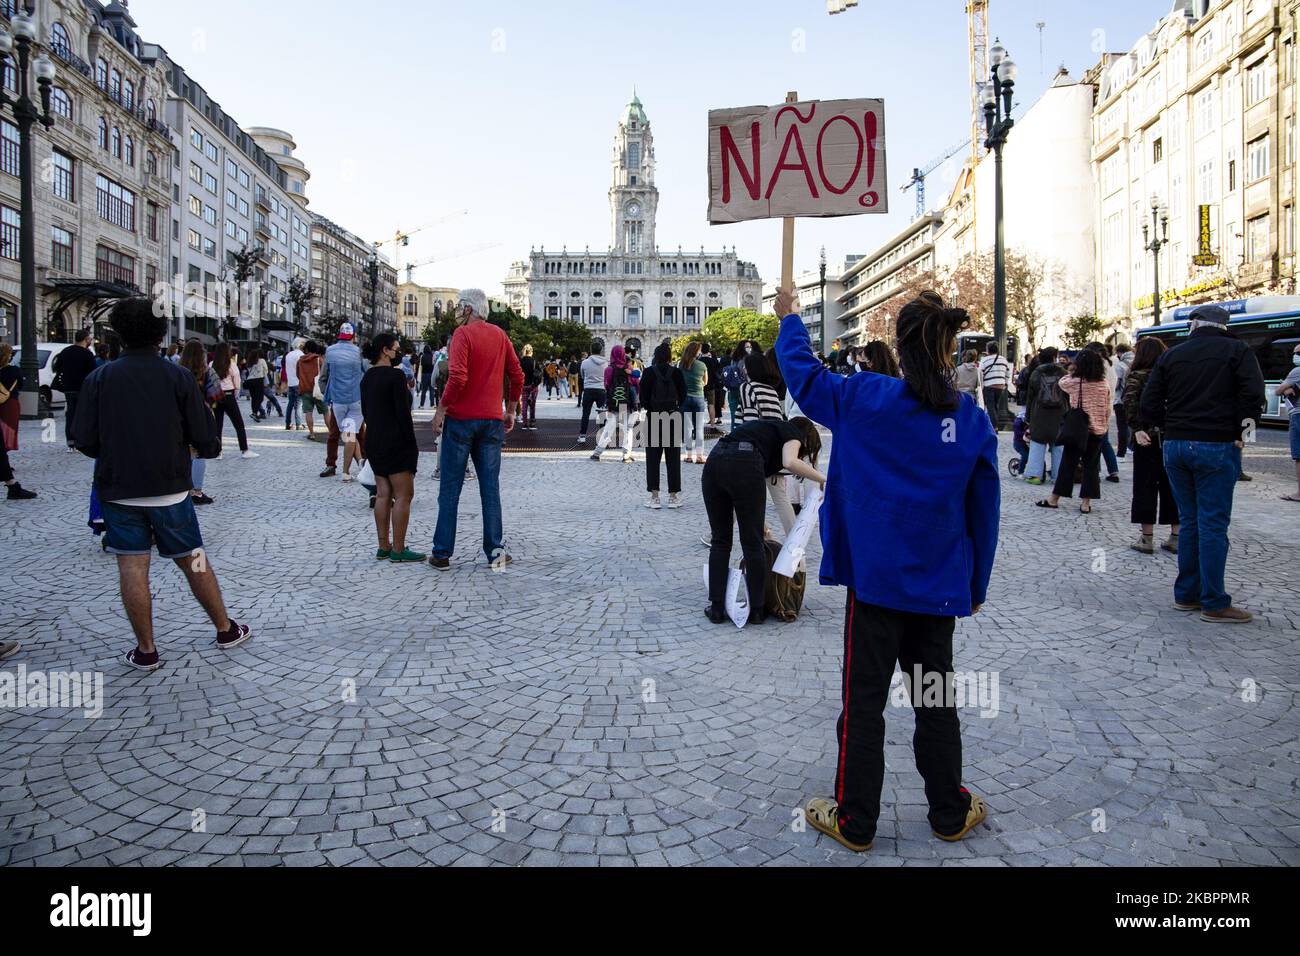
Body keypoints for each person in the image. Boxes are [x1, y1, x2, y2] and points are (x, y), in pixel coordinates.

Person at [776, 287, 999, 854]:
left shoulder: (866, 397)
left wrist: (791, 318)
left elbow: (802, 377)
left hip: (875, 585)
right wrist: (975, 586)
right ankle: (949, 810)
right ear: (950, 348)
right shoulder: (968, 419)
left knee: (865, 702)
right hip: (937, 589)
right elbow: (984, 511)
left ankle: (856, 819)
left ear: (899, 348)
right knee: (934, 698)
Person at [69, 297, 251, 671]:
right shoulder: (178, 376)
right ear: (160, 332)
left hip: (119, 490)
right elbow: (205, 437)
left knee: (132, 567)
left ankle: (147, 649)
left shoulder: (100, 377)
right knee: (194, 558)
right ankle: (224, 628)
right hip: (171, 488)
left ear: (118, 333)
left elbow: (83, 439)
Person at [1139, 304, 1265, 624]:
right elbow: (1252, 395)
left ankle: (1186, 594)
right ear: (1224, 325)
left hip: (1176, 444)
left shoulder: (1173, 354)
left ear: (1193, 325)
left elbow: (1150, 400)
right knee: (1212, 523)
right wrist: (1243, 434)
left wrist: (1160, 427)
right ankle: (1214, 601)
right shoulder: (1238, 351)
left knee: (1190, 520)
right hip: (1216, 443)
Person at [429, 289, 522, 571]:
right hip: (492, 421)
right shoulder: (499, 335)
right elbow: (517, 374)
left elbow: (457, 377)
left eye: (460, 306)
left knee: (450, 488)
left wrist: (442, 409)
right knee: (489, 488)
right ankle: (495, 550)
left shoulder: (462, 335)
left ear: (469, 309)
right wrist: (511, 409)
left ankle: (442, 553)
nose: (457, 311)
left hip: (460, 420)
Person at [701, 415, 824, 626]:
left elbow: (746, 500)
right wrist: (822, 479)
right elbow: (789, 461)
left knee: (720, 541)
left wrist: (763, 524)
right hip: (745, 463)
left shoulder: (764, 432)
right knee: (753, 543)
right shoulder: (792, 431)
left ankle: (717, 608)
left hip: (715, 462)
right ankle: (757, 610)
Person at [361, 334, 423, 563]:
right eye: (396, 349)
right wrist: (411, 445)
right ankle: (398, 548)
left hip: (374, 440)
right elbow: (403, 415)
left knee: (382, 494)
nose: (399, 353)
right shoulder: (396, 376)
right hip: (395, 441)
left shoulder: (367, 378)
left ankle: (383, 546)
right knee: (404, 495)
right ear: (385, 351)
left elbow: (366, 412)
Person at [1035, 348, 1111, 514]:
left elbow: (1062, 382)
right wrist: (1104, 426)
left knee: (1068, 463)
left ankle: (1054, 498)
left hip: (1078, 429)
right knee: (1091, 466)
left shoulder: (1075, 382)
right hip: (1097, 430)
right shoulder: (1103, 384)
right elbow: (1107, 408)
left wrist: (1075, 372)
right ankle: (1085, 503)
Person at [1123, 337, 1179, 554]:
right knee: (1172, 486)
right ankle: (1176, 536)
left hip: (1146, 436)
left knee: (1145, 486)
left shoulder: (1137, 375)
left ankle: (1147, 538)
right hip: (1171, 436)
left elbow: (1129, 403)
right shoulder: (1171, 374)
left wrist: (1137, 429)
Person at [640, 343, 687, 510]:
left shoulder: (648, 372)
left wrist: (651, 407)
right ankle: (673, 497)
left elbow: (643, 397)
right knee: (673, 457)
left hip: (653, 416)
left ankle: (654, 497)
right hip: (672, 416)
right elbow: (683, 396)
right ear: (669, 356)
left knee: (653, 458)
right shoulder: (677, 372)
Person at [323, 322, 366, 481]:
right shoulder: (357, 352)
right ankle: (347, 471)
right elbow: (366, 371)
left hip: (338, 400)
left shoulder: (330, 351)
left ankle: (355, 465)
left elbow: (325, 375)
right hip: (355, 398)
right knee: (352, 434)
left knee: (348, 434)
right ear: (353, 336)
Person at [180, 340, 219, 506]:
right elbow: (217, 394)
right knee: (198, 451)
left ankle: (183, 488)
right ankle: (196, 490)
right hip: (200, 414)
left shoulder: (177, 370)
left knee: (182, 450)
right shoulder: (207, 372)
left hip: (179, 415)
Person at [1023, 347, 1068, 486]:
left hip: (1040, 412)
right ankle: (1058, 475)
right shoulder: (1062, 372)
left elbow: (1030, 396)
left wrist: (1028, 417)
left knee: (1037, 443)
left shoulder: (1037, 373)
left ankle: (1034, 474)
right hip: (1059, 412)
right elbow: (1068, 394)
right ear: (1054, 357)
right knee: (1058, 444)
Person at [0, 343, 36, 499]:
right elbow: (20, 384)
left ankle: (12, 485)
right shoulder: (14, 370)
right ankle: (12, 485)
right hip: (9, 406)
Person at [591, 344, 637, 463]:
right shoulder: (628, 369)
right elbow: (636, 384)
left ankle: (597, 452)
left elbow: (606, 385)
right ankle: (626, 455)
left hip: (613, 402)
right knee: (628, 428)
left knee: (609, 427)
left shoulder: (609, 369)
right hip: (627, 403)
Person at [53, 328, 97, 449]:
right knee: (82, 414)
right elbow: (93, 372)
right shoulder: (87, 354)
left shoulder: (65, 351)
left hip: (68, 387)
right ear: (86, 339)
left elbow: (57, 367)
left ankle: (70, 440)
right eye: (89, 339)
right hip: (82, 388)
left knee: (71, 413)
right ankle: (80, 439)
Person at [210, 343, 256, 458]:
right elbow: (237, 381)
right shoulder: (231, 364)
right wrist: (235, 394)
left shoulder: (212, 364)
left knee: (217, 424)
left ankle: (218, 451)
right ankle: (244, 450)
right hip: (229, 394)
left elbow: (210, 381)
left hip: (216, 395)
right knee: (238, 423)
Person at [1085, 342, 1121, 483]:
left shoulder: (1098, 365)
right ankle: (1113, 470)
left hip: (1096, 406)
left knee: (1094, 441)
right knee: (1104, 441)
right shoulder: (1111, 363)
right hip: (1107, 405)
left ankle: (1095, 471)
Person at [679, 341, 709, 465]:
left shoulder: (681, 364)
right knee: (699, 428)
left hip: (685, 398)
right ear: (696, 352)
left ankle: (689, 455)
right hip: (698, 398)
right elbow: (706, 382)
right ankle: (700, 456)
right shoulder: (702, 365)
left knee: (687, 428)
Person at [1278, 342, 1300, 503]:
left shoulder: (1297, 371)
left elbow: (1278, 390)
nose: (1295, 356)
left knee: (1299, 456)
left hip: (1298, 414)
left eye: (1297, 353)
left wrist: (1286, 390)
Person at [578, 341, 608, 444]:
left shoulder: (585, 362)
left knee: (585, 413)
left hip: (588, 389)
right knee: (602, 414)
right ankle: (603, 436)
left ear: (591, 350)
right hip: (601, 390)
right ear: (601, 350)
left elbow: (582, 375)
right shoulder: (606, 363)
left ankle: (582, 436)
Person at [979, 342, 1011, 432]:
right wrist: (1005, 383)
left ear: (988, 350)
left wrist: (981, 386)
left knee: (990, 407)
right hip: (1000, 386)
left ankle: (994, 427)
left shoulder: (984, 360)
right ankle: (994, 425)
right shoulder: (1004, 360)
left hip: (989, 385)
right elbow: (1008, 373)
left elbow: (980, 373)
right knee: (995, 406)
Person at [297, 341, 325, 440]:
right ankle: (331, 432)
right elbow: (324, 374)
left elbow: (298, 374)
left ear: (307, 349)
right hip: (318, 390)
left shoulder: (300, 361)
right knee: (326, 411)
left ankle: (312, 433)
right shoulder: (319, 360)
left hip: (305, 389)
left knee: (308, 412)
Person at [1113, 343, 1133, 457]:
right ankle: (1132, 447)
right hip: (1134, 398)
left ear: (1120, 352)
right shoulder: (1138, 360)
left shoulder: (1120, 365)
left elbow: (1116, 384)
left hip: (1121, 400)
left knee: (1122, 427)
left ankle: (1122, 451)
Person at [700, 342, 725, 426]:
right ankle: (713, 423)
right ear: (708, 350)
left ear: (701, 350)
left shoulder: (699, 361)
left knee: (700, 405)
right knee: (711, 405)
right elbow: (719, 371)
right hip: (711, 385)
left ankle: (699, 423)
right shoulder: (714, 361)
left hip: (700, 386)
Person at [282, 338, 305, 431]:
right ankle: (299, 424)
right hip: (299, 382)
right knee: (299, 404)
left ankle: (287, 423)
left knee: (290, 404)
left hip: (291, 382)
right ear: (300, 345)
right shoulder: (301, 355)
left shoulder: (288, 355)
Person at [519, 344, 541, 431]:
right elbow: (539, 375)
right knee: (532, 405)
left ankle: (524, 423)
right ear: (531, 351)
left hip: (524, 385)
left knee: (524, 404)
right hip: (533, 386)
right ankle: (532, 423)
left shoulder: (521, 362)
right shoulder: (534, 362)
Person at [245, 349, 269, 421]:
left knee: (254, 398)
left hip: (250, 381)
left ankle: (254, 413)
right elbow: (266, 370)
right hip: (258, 380)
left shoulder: (249, 362)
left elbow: (248, 370)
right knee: (260, 398)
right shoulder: (261, 361)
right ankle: (254, 413)